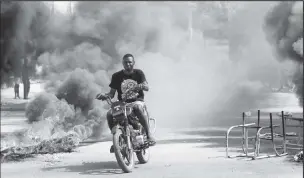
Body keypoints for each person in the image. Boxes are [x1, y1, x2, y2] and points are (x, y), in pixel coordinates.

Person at [96, 53, 156, 152]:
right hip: (123, 104)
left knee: (137, 107)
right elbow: (111, 94)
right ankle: (117, 140)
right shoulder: (116, 76)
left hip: (137, 101)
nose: (128, 64)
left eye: (130, 62)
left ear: (133, 63)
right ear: (122, 63)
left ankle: (149, 135)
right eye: (125, 62)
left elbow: (147, 86)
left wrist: (142, 86)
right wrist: (104, 95)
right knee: (110, 114)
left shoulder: (139, 73)